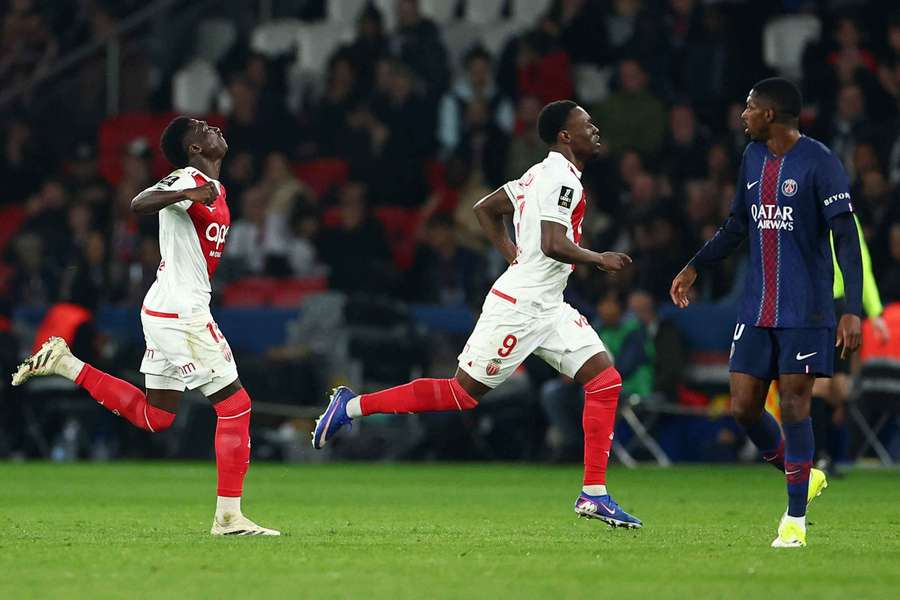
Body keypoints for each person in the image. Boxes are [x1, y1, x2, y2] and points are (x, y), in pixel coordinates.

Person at [312, 100, 641, 528]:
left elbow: (485, 208)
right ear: (565, 136)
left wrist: (512, 256)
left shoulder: (537, 173)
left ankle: (593, 493)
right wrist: (600, 258)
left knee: (604, 381)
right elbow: (552, 243)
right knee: (461, 394)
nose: (595, 130)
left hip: (548, 304)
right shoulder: (561, 178)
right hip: (520, 308)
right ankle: (351, 406)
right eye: (587, 124)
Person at [11, 116, 279, 536]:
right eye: (202, 128)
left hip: (164, 307)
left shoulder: (216, 187)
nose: (213, 129)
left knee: (157, 416)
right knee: (237, 406)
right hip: (181, 312)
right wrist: (187, 192)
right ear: (193, 149)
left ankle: (65, 364)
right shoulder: (185, 178)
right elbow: (139, 202)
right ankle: (228, 518)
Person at [670, 78, 862, 548]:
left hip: (807, 309)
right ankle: (803, 474)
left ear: (771, 114)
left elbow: (847, 238)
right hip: (756, 307)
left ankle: (794, 519)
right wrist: (697, 264)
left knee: (795, 404)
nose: (743, 115)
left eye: (750, 107)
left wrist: (851, 310)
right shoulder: (752, 158)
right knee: (743, 407)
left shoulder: (820, 161)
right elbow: (739, 222)